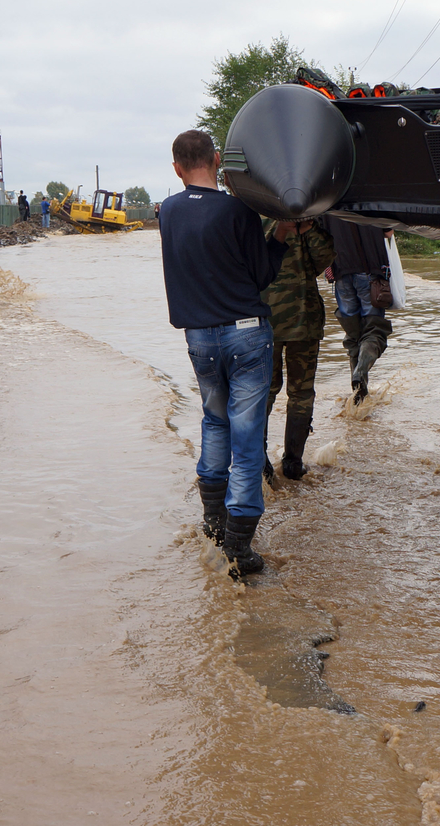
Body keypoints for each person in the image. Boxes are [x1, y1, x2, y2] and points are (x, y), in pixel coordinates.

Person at [159, 130, 294, 578]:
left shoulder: (168, 212)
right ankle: (240, 544)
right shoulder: (238, 210)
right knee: (247, 434)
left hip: (199, 339)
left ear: (177, 166)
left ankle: (213, 521)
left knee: (214, 421)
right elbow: (260, 276)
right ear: (217, 160)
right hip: (246, 337)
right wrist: (280, 237)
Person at [261, 217, 335, 482]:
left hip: (261, 320)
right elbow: (324, 260)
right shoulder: (306, 213)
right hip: (303, 318)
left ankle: (260, 464)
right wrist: (309, 228)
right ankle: (293, 463)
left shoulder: (252, 211)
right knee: (301, 393)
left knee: (262, 392)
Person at [324, 214, 392, 403]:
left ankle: (359, 394)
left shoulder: (329, 201)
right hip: (369, 272)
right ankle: (360, 371)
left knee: (353, 334)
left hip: (340, 273)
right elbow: (389, 231)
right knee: (374, 329)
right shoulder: (370, 198)